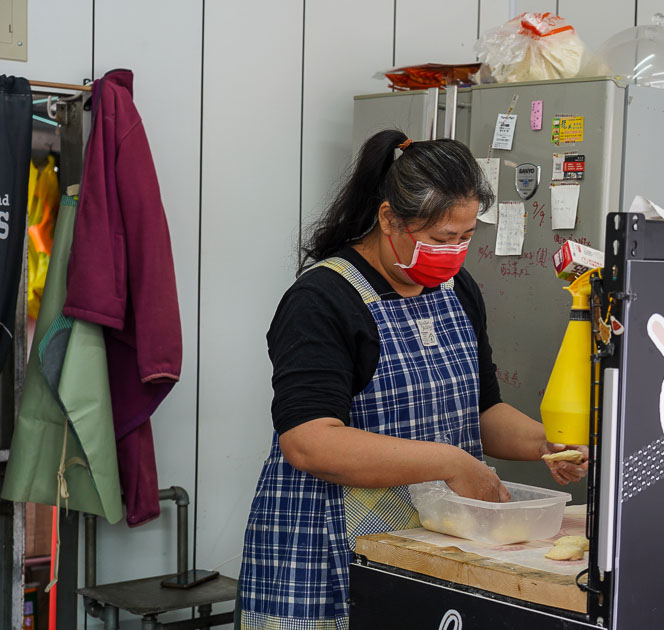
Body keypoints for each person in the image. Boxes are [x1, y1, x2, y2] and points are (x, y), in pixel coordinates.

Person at [238, 130, 588, 629]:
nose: (455, 253)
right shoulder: (323, 299)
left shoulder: (456, 289)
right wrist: (450, 463)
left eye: (466, 238)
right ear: (388, 219)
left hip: (433, 545)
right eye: (442, 239)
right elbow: (310, 443)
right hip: (329, 549)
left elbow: (483, 412)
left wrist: (548, 443)